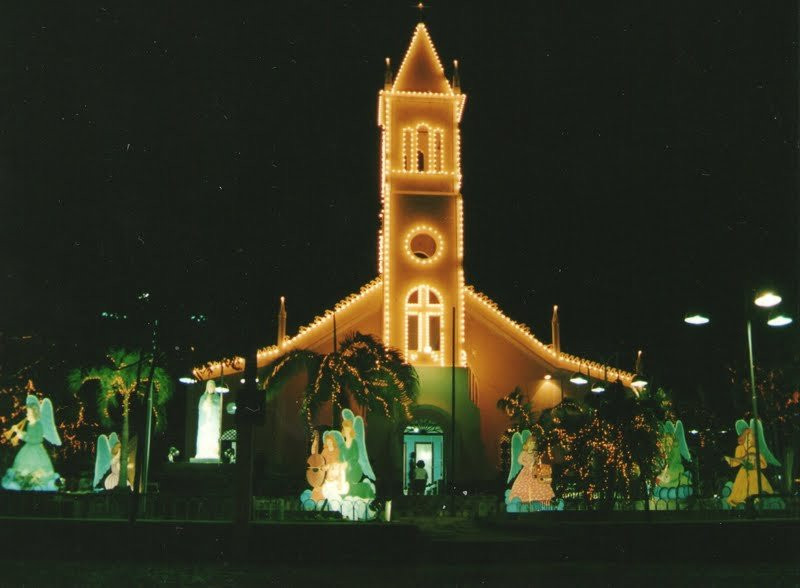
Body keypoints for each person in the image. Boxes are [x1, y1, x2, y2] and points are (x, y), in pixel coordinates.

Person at [2, 394, 62, 491]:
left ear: (34, 413)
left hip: (36, 450)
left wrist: (21, 435)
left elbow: (36, 439)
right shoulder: (30, 424)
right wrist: (18, 431)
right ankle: (25, 484)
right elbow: (29, 435)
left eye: (28, 413)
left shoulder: (38, 425)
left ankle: (36, 484)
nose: (27, 415)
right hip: (28, 448)